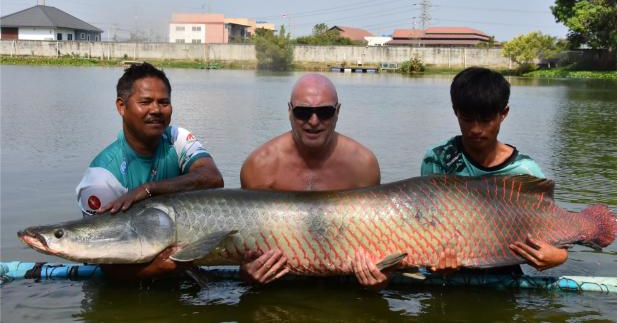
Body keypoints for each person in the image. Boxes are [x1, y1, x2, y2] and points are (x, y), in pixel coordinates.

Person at [75, 62, 224, 279]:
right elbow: (104, 262)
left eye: (164, 102)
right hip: (127, 280)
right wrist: (157, 269)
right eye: (145, 102)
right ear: (121, 107)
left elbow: (212, 178)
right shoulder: (101, 178)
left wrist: (150, 189)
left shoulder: (177, 138)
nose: (156, 110)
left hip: (179, 262)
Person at [239, 73, 387, 287]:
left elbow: (375, 238)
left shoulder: (363, 165)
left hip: (344, 283)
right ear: (289, 111)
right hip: (279, 283)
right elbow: (247, 245)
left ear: (338, 112)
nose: (314, 121)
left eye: (325, 112)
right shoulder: (259, 166)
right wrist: (247, 272)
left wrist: (379, 275)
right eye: (303, 112)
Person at [420, 67, 568, 273]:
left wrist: (559, 256)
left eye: (486, 120)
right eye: (467, 119)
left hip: (504, 273)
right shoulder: (438, 159)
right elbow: (425, 223)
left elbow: (554, 229)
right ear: (455, 111)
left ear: (503, 113)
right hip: (446, 273)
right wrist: (434, 261)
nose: (475, 129)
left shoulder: (524, 171)